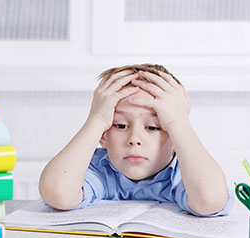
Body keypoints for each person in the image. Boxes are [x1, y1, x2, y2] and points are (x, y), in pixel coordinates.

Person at [39, 64, 232, 216]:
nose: (134, 139)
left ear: (175, 138)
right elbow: (58, 192)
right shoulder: (98, 169)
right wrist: (96, 120)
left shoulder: (186, 174)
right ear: (103, 135)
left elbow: (209, 199)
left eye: (152, 127)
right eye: (121, 125)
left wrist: (179, 122)